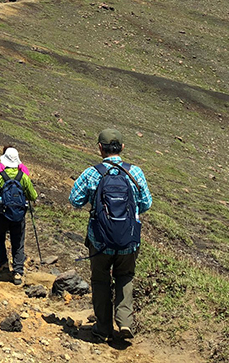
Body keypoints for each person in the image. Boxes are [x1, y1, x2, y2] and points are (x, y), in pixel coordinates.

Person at [69, 129, 152, 342]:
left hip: (100, 240)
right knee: (125, 277)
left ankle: (103, 327)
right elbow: (146, 204)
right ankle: (124, 322)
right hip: (128, 239)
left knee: (100, 280)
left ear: (100, 148)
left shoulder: (92, 173)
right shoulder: (136, 172)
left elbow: (74, 200)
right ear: (122, 148)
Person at [0, 147, 37, 286]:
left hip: (1, 214)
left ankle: (3, 264)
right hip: (18, 215)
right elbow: (33, 195)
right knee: (18, 242)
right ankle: (18, 272)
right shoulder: (23, 177)